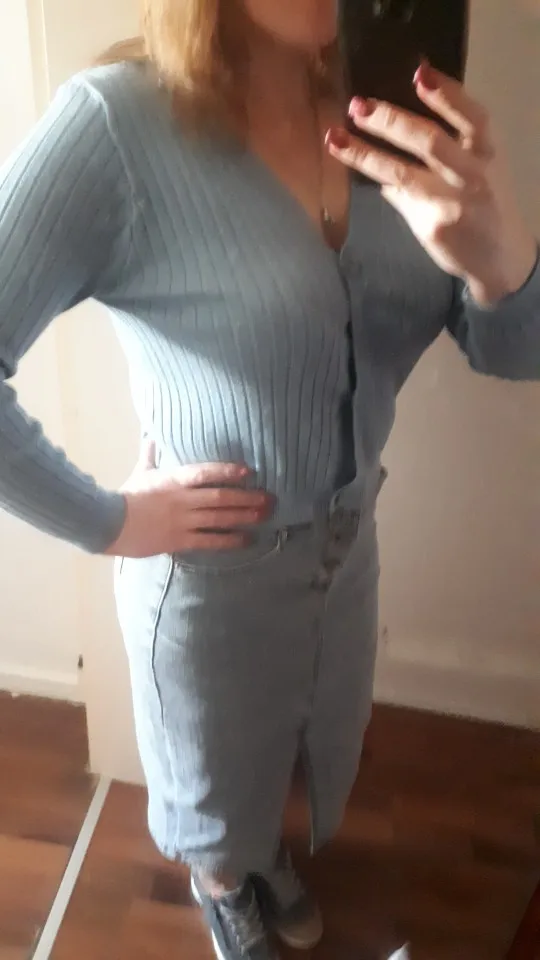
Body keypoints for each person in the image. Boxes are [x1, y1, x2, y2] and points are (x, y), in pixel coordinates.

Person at [0, 1, 539, 958]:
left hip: (349, 551)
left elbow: (511, 352)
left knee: (301, 753)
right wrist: (110, 521)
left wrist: (505, 264)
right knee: (217, 788)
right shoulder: (117, 128)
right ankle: (223, 883)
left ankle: (257, 857)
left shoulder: (394, 112)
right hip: (212, 575)